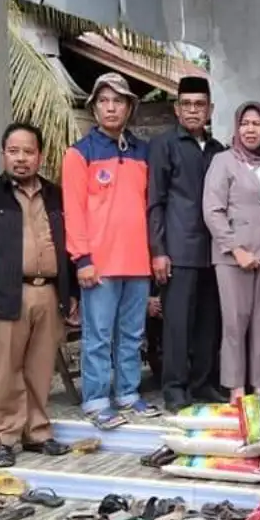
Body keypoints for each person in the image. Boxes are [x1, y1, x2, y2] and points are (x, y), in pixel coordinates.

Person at [0, 123, 78, 468]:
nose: (21, 159)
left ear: (39, 156)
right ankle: (3, 437)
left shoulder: (56, 195)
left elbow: (68, 246)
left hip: (48, 293)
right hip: (4, 295)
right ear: (3, 154)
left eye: (28, 152)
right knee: (4, 371)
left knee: (40, 369)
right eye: (14, 151)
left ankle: (37, 432)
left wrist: (70, 293)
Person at [63, 73, 153, 429]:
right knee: (98, 336)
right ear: (94, 108)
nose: (111, 107)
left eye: (118, 101)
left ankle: (128, 393)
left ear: (129, 107)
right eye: (103, 101)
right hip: (98, 264)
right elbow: (73, 211)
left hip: (138, 262)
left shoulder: (143, 152)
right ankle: (97, 399)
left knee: (132, 335)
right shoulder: (79, 153)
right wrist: (82, 259)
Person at [149, 77, 228, 412]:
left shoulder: (218, 150)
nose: (193, 110)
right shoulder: (164, 145)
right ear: (177, 109)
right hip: (178, 250)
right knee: (177, 324)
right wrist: (159, 251)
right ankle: (175, 388)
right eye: (187, 104)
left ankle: (203, 383)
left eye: (200, 105)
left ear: (210, 109)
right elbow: (155, 201)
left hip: (214, 252)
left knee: (209, 323)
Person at [203, 102, 260, 403]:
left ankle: (259, 386)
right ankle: (236, 388)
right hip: (232, 258)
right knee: (235, 323)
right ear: (237, 127)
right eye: (245, 124)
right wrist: (236, 249)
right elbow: (213, 210)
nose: (250, 130)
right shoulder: (223, 161)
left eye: (256, 124)